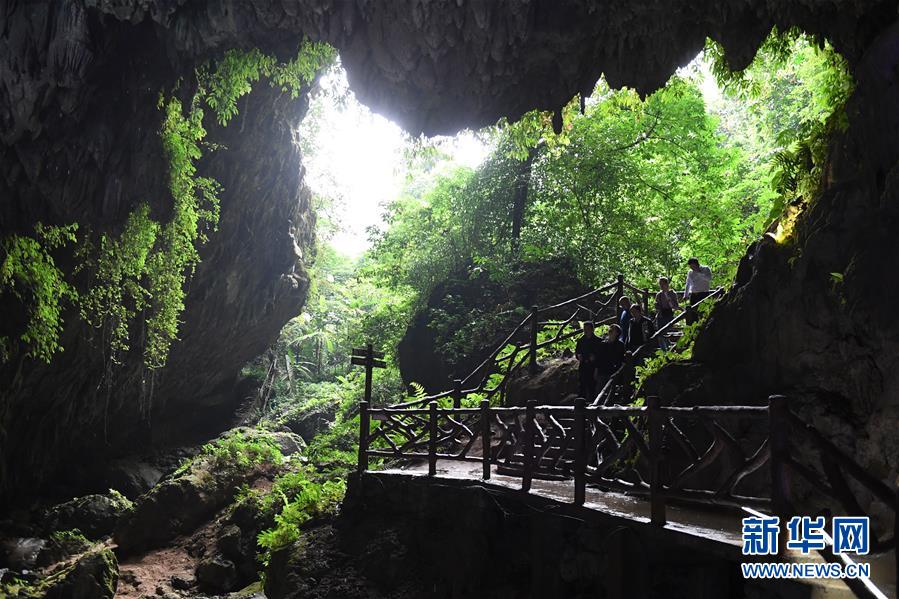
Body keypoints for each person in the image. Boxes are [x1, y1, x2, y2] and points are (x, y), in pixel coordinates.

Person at [575, 321, 603, 400]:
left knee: (592, 386)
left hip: (593, 367)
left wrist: (595, 358)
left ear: (592, 329)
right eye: (584, 329)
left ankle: (592, 403)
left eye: (587, 329)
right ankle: (581, 403)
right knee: (582, 385)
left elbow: (602, 355)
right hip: (583, 366)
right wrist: (578, 356)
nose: (586, 331)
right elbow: (577, 352)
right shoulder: (581, 341)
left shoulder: (598, 341)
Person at [595, 324, 625, 393]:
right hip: (602, 371)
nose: (610, 330)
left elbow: (622, 359)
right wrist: (596, 370)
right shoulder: (603, 344)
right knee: (599, 390)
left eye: (613, 329)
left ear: (617, 333)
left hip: (613, 371)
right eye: (610, 329)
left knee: (610, 392)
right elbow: (598, 358)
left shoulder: (620, 345)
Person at [683, 258, 712, 324]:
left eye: (692, 266)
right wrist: (686, 295)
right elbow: (688, 283)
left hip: (704, 294)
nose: (692, 268)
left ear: (696, 264)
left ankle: (704, 326)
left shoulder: (706, 269)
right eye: (690, 267)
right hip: (693, 295)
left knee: (703, 312)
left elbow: (709, 279)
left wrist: (699, 273)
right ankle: (694, 328)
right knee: (693, 312)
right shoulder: (690, 272)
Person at [654, 277, 679, 351]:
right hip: (661, 315)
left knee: (667, 333)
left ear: (667, 284)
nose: (661, 286)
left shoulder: (672, 293)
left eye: (663, 284)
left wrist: (669, 299)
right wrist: (657, 306)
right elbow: (656, 305)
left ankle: (670, 349)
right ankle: (664, 351)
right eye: (660, 284)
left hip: (669, 314)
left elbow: (675, 306)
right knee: (660, 334)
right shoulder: (659, 295)